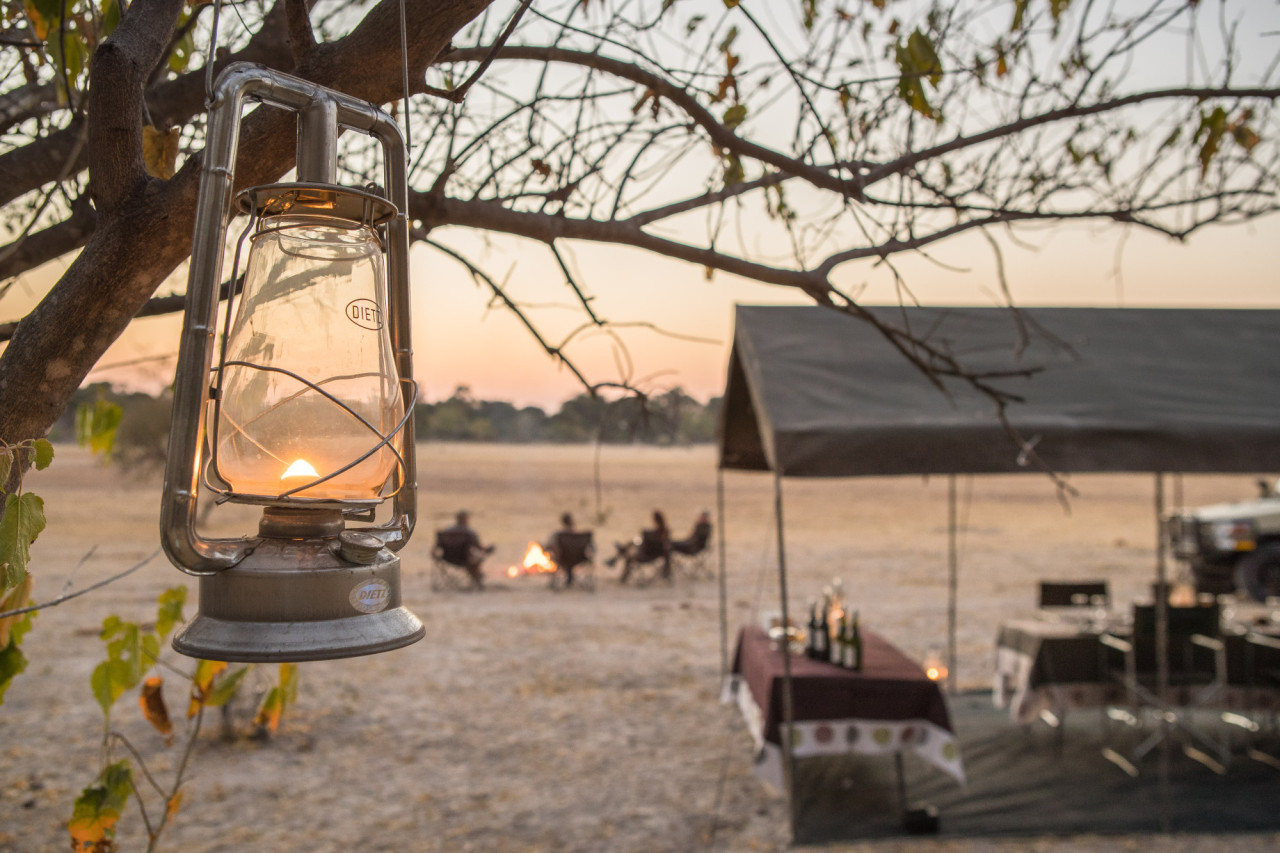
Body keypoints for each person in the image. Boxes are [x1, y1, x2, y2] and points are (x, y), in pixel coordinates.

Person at [435, 510, 495, 589]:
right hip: (464, 559)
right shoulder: (469, 533)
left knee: (472, 560)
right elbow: (479, 548)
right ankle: (477, 579)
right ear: (466, 519)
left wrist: (435, 556)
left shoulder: (446, 532)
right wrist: (489, 549)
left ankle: (476, 577)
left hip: (447, 558)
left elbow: (435, 549)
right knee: (475, 561)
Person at [611, 509, 672, 583]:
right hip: (653, 554)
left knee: (631, 552)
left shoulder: (650, 533)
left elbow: (646, 545)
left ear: (655, 520)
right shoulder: (665, 532)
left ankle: (619, 559)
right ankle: (619, 553)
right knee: (635, 542)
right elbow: (667, 546)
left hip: (645, 556)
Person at [545, 512, 592, 588]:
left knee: (552, 556)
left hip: (562, 558)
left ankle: (567, 580)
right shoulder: (581, 537)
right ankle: (570, 579)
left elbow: (551, 547)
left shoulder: (559, 535)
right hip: (580, 558)